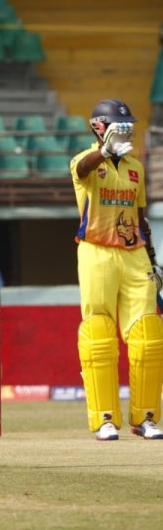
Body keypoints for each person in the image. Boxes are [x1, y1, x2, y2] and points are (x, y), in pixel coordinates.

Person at [70, 98, 163, 441]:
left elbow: (140, 217)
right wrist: (104, 152)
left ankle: (146, 417)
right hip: (97, 252)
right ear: (99, 127)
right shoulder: (86, 161)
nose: (127, 132)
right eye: (119, 126)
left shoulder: (136, 168)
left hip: (134, 254)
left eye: (128, 127)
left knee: (149, 337)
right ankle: (105, 418)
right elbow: (82, 171)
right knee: (99, 336)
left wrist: (153, 258)